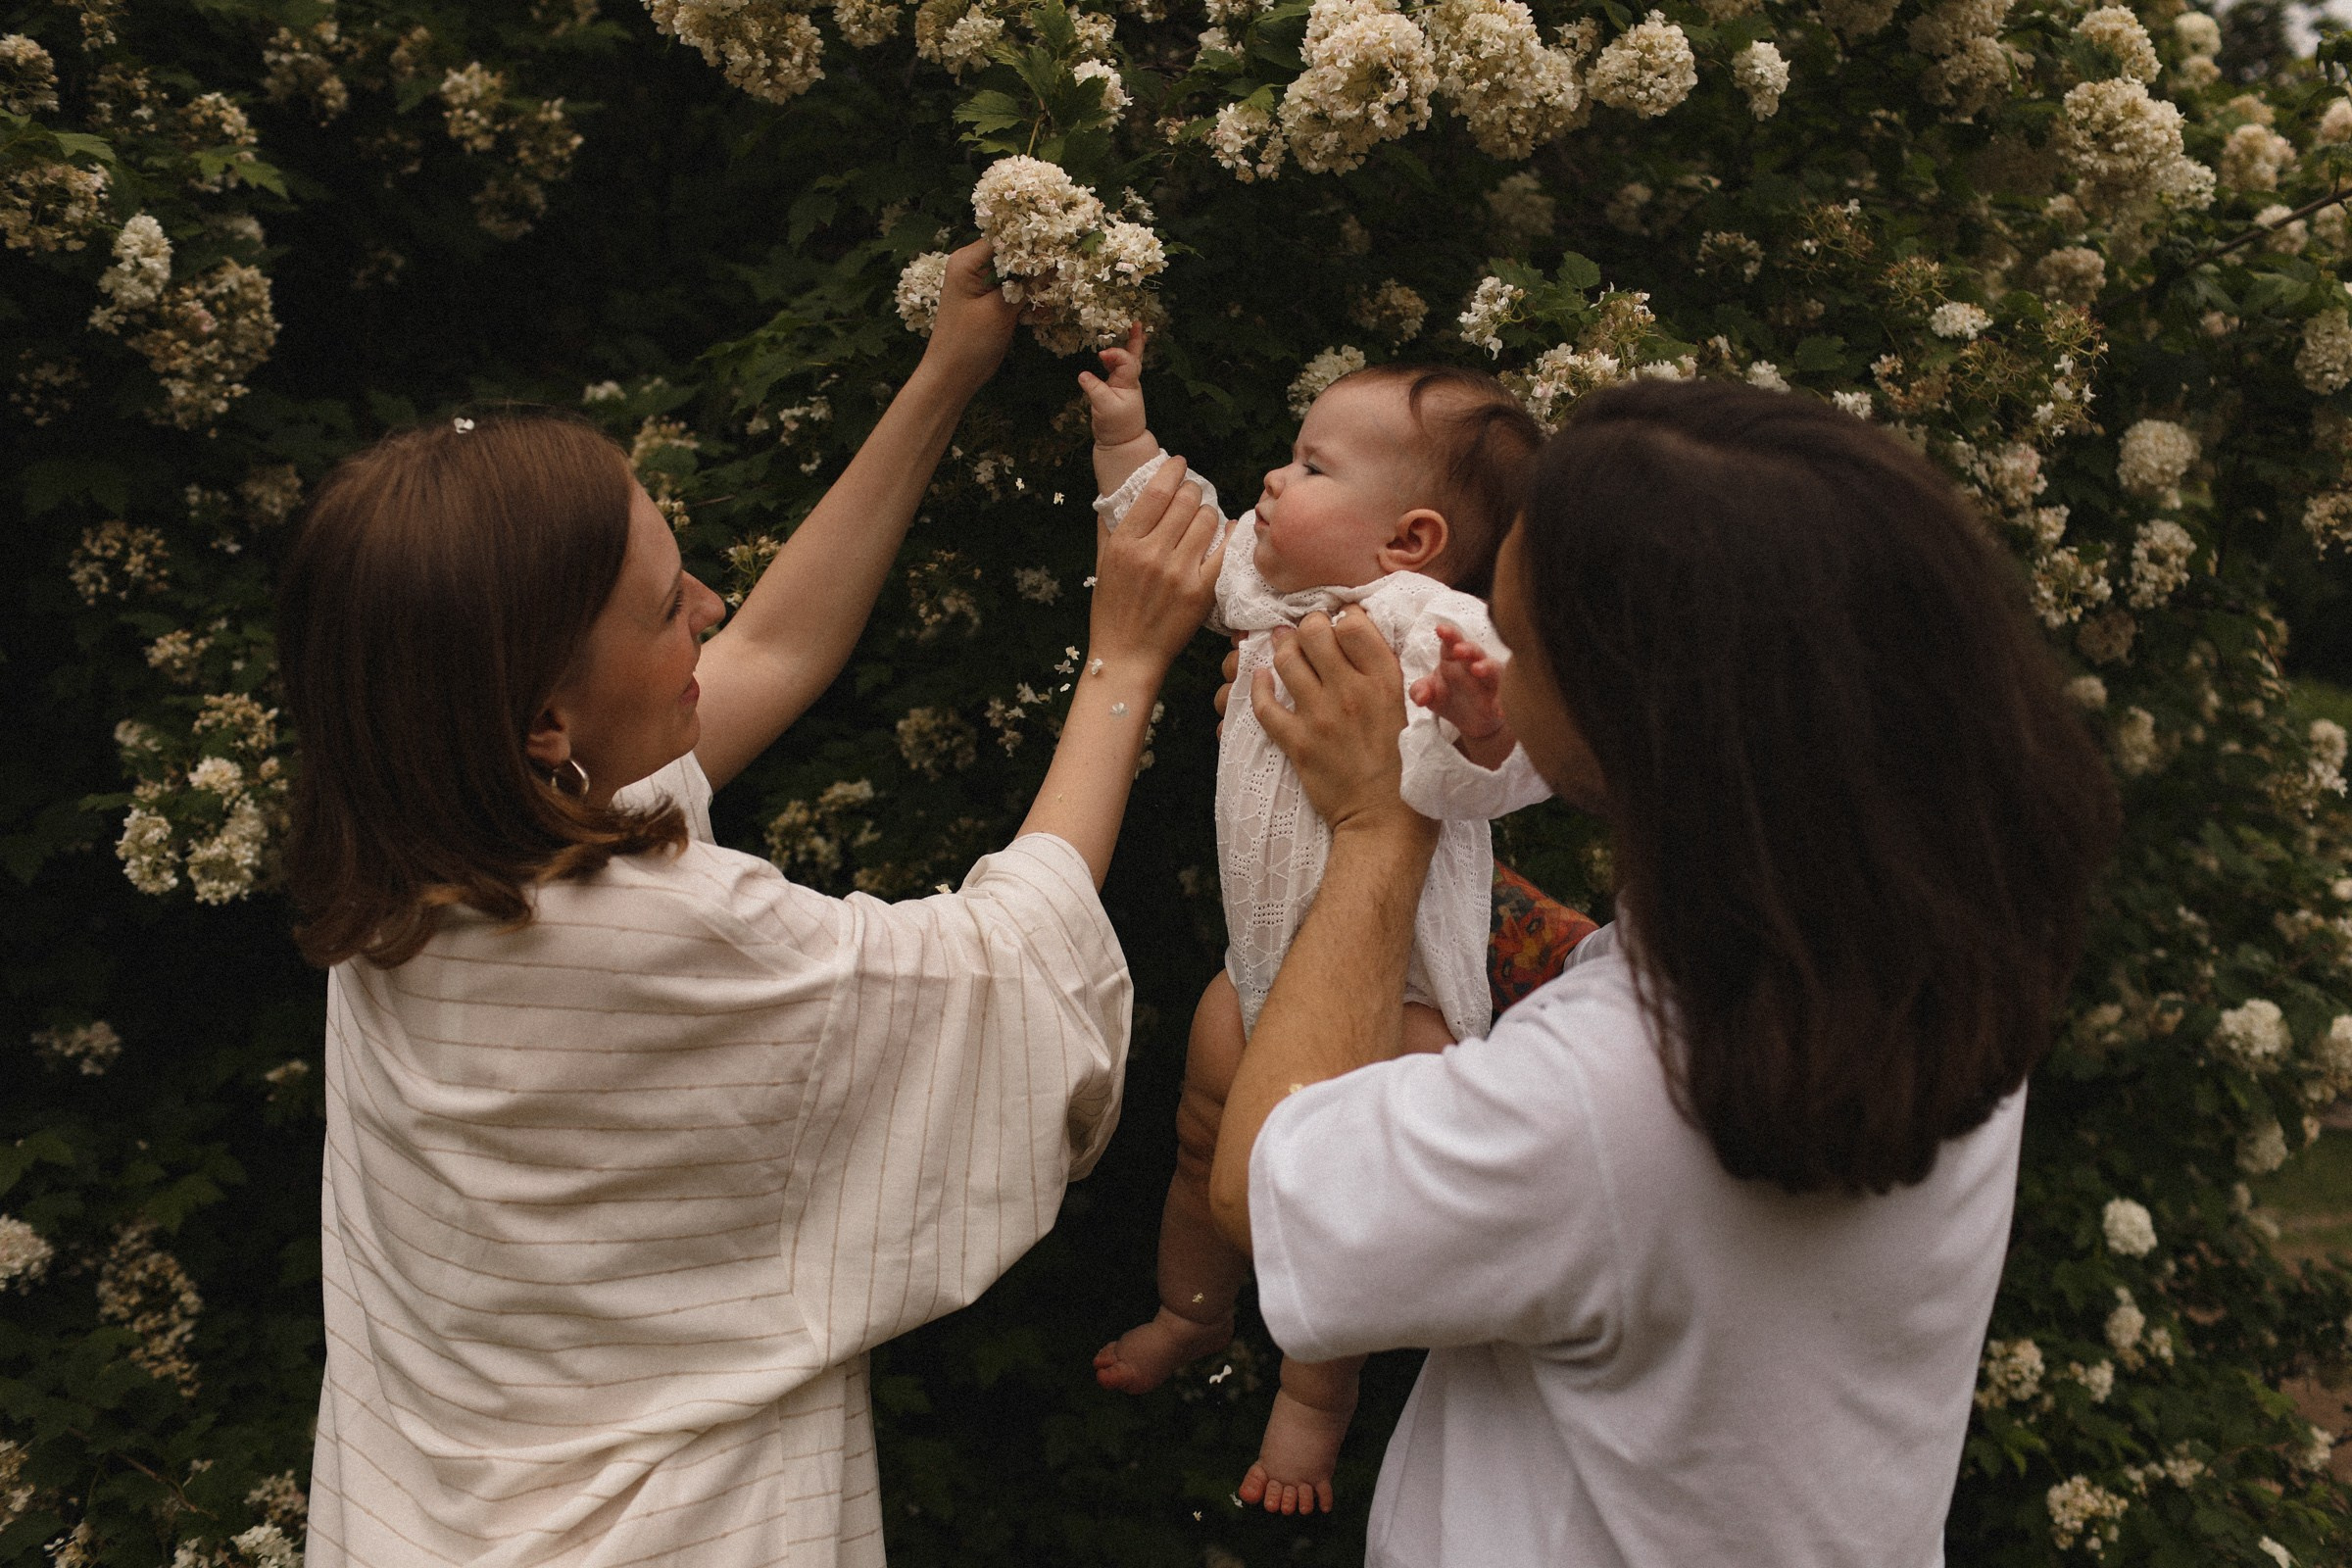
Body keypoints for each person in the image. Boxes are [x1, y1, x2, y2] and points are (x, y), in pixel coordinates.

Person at [273, 242, 1225, 1568]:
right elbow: (1017, 973)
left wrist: (947, 373)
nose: (711, 608)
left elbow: (769, 650)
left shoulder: (410, 871)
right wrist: (1123, 660)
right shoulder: (668, 936)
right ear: (549, 719)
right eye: (670, 607)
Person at [1207, 378, 2123, 1565]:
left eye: (1519, 639)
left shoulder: (1602, 1100)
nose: (1488, 646)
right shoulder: (1928, 948)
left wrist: (1386, 822)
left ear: (1638, 710)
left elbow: (1265, 1182)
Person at [1080, 329, 1550, 1512]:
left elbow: (1516, 757)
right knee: (1202, 1140)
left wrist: (1487, 721)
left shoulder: (1419, 617)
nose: (1277, 481)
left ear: (1411, 538)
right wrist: (1120, 426)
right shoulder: (1264, 583)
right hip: (1258, 970)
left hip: (1398, 1001)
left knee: (1334, 1215)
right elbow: (1165, 521)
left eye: (1312, 465)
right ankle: (1191, 1311)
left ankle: (1312, 1403)